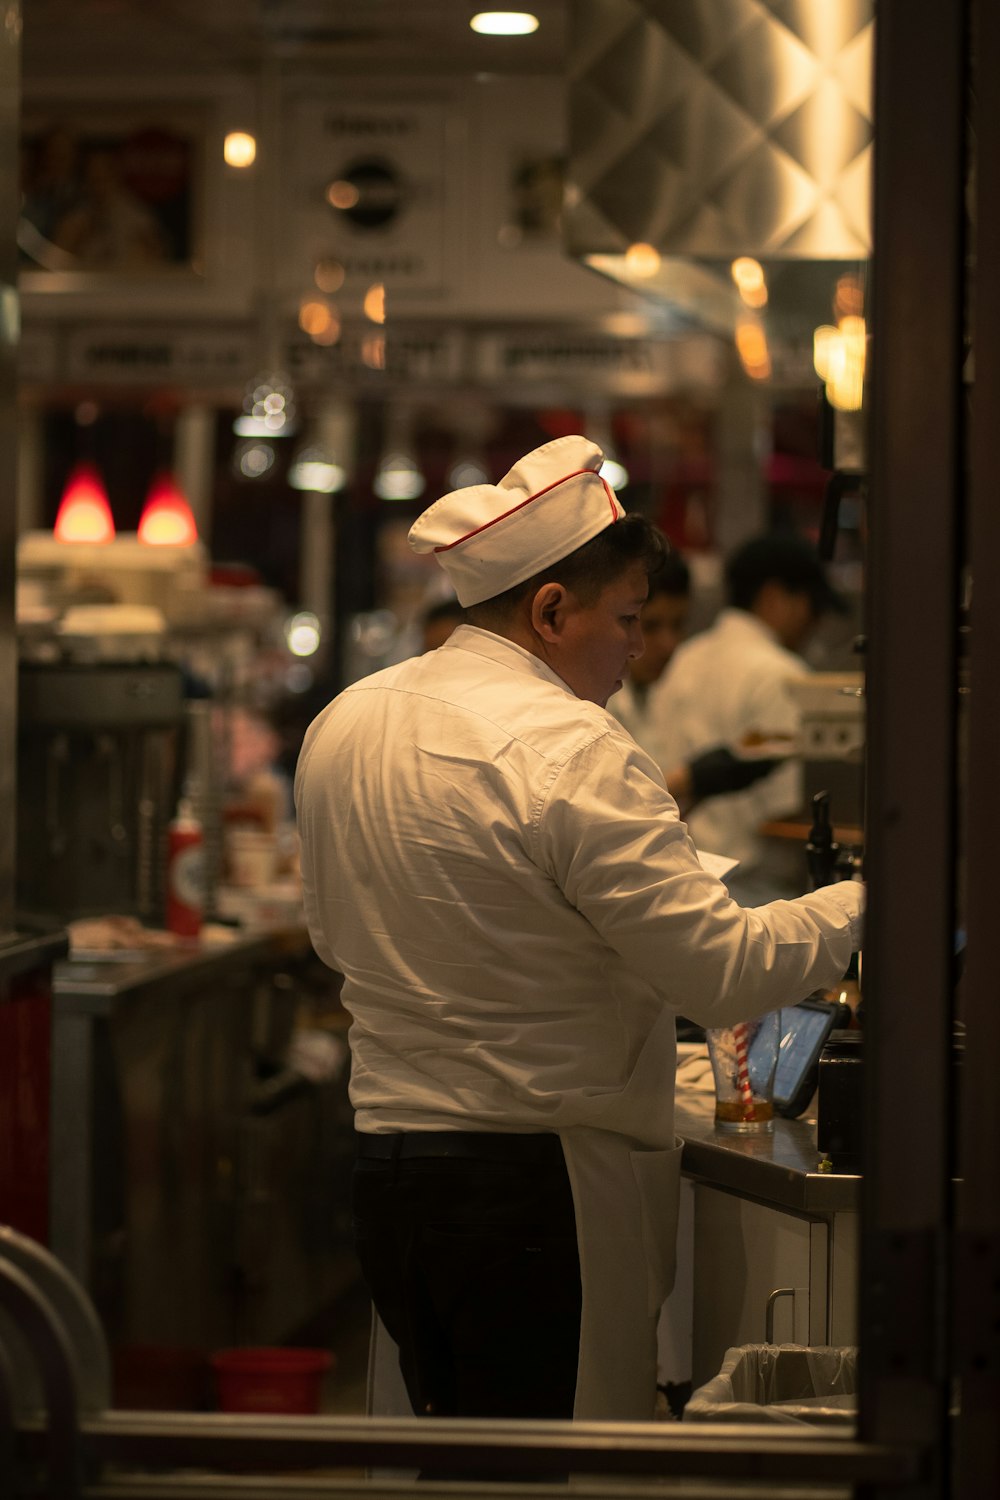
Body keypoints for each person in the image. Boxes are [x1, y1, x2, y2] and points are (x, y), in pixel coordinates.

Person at [294, 435, 863, 1423]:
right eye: (630, 620)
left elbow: (334, 940)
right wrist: (874, 898)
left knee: (452, 1471)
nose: (640, 649)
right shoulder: (571, 743)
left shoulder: (347, 720)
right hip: (536, 1188)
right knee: (565, 1475)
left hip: (389, 1171)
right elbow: (721, 973)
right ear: (552, 610)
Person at [649, 531, 845, 902]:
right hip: (756, 889)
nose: (815, 623)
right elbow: (785, 810)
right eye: (811, 607)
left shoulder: (685, 656)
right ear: (773, 598)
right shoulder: (783, 674)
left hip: (680, 874)